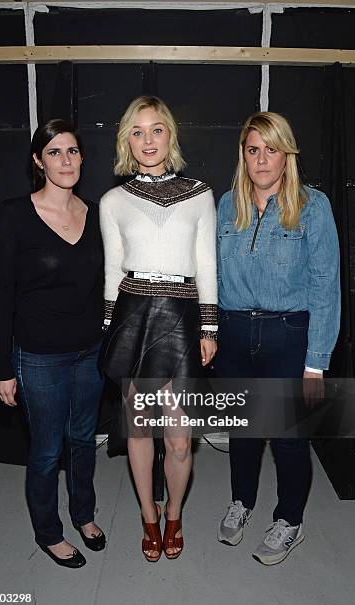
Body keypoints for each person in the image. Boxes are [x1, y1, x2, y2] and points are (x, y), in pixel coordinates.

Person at [216, 111, 340, 565]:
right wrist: (208, 331)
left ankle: (290, 519)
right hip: (233, 336)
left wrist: (316, 362)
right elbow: (210, 275)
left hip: (289, 337)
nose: (262, 159)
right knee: (243, 432)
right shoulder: (228, 204)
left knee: (289, 438)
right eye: (253, 150)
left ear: (287, 154)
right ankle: (241, 502)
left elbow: (326, 285)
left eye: (271, 149)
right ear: (243, 156)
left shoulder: (313, 206)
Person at [99, 96, 217, 561]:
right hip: (133, 318)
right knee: (140, 431)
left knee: (179, 437)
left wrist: (210, 328)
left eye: (156, 129)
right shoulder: (112, 200)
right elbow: (113, 268)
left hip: (185, 318)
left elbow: (206, 264)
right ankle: (149, 518)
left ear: (171, 135)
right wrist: (110, 328)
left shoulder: (200, 193)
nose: (147, 140)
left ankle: (175, 515)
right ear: (126, 139)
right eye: (137, 131)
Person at [0, 119, 106, 569]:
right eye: (54, 152)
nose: (66, 160)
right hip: (38, 358)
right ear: (38, 161)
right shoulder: (13, 215)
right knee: (46, 449)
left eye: (72, 151)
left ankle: (84, 514)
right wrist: (2, 367)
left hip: (90, 354)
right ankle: (49, 532)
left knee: (83, 439)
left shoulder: (96, 214)